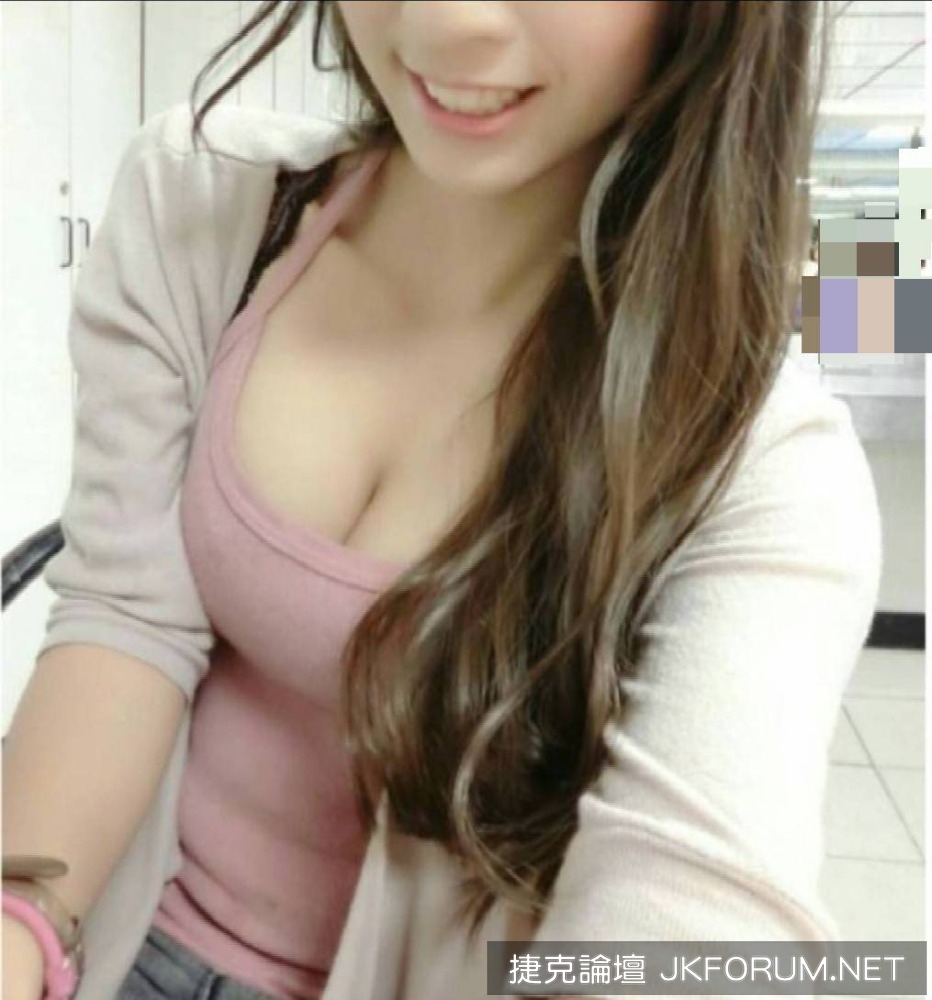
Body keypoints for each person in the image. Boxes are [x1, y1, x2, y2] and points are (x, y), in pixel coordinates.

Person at [3, 3, 882, 1000]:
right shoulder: (204, 208)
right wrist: (20, 922)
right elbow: (123, 616)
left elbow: (692, 915)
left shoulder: (759, 465)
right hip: (112, 935)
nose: (447, 20)